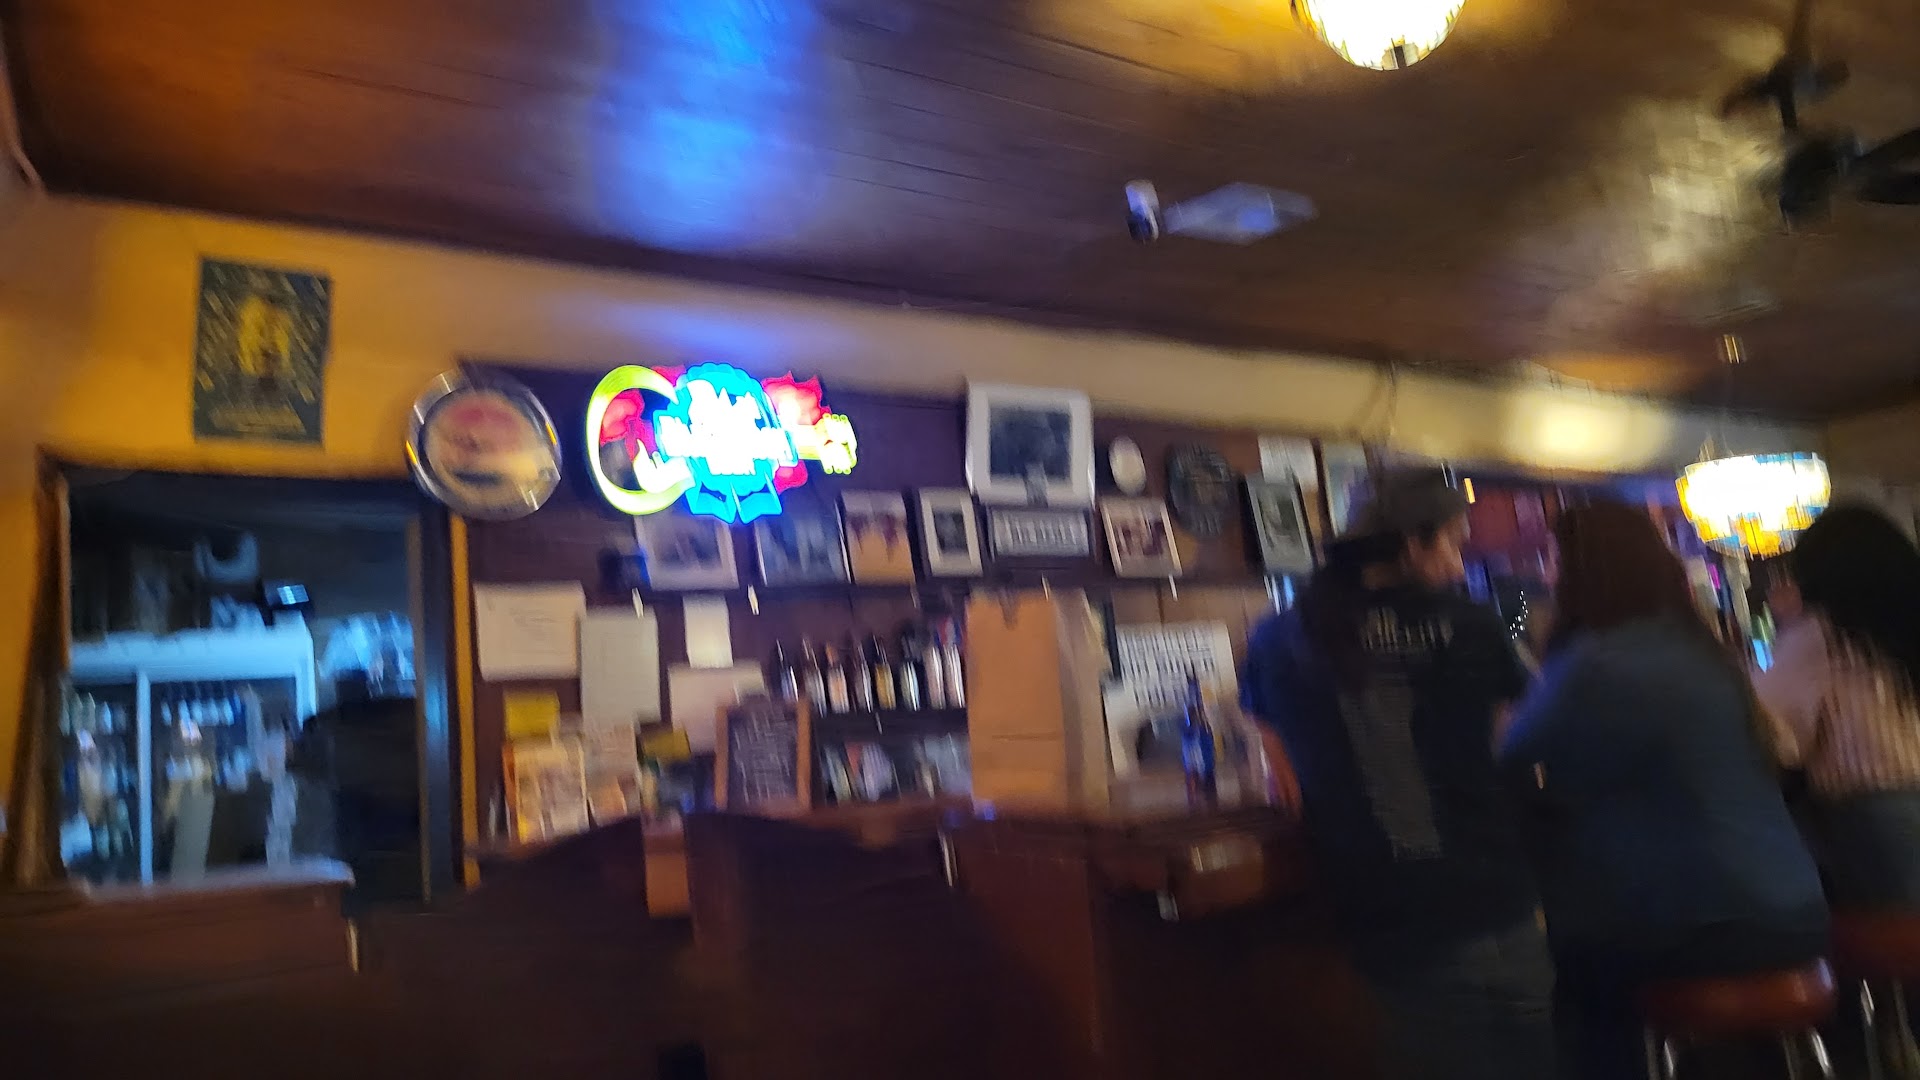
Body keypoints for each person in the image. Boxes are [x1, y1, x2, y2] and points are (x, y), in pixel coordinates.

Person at [1241, 470, 1556, 1080]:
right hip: (1502, 901)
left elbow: (1286, 786)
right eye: (1454, 542)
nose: (1459, 562)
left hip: (1394, 919)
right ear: (1413, 544)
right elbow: (1519, 749)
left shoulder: (1280, 639)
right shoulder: (1475, 625)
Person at [1499, 500, 1827, 1080]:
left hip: (1709, 929)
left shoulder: (1591, 662)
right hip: (1799, 914)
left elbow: (1510, 753)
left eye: (1553, 558)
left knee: (1569, 967)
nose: (1546, 573)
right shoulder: (1709, 654)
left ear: (1581, 570)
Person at [1755, 503, 1920, 908]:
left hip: (1878, 817)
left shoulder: (1819, 637)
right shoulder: (1904, 630)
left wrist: (1787, 626)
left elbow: (1774, 738)